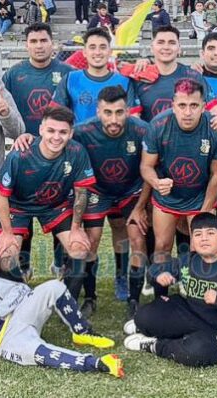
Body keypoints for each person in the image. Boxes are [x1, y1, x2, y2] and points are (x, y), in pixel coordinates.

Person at [0, 250, 124, 378]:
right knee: (40, 354)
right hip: (5, 338)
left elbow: (21, 290)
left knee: (55, 286)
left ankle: (81, 332)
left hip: (20, 314)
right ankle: (98, 363)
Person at [123, 212, 217, 368]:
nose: (204, 238)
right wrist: (159, 275)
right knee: (143, 316)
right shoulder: (189, 259)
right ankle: (151, 328)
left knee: (198, 351)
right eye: (198, 234)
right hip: (189, 313)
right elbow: (153, 269)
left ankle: (154, 344)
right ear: (192, 240)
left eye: (210, 233)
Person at [68, 86, 151, 319]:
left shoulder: (142, 130)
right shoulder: (82, 131)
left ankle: (131, 295)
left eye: (119, 112)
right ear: (98, 111)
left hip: (130, 190)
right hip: (97, 191)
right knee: (91, 240)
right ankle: (90, 297)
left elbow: (150, 169)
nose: (113, 119)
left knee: (136, 238)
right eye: (107, 113)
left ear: (128, 110)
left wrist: (139, 206)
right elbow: (56, 140)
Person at [0, 106, 95, 297]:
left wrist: (75, 228)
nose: (56, 137)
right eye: (51, 131)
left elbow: (81, 193)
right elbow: (1, 195)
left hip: (55, 206)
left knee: (79, 249)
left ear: (71, 133)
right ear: (41, 130)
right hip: (19, 206)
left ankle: (65, 301)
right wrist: (7, 233)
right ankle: (19, 298)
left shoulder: (77, 152)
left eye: (63, 132)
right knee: (7, 255)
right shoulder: (19, 155)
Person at [140, 78, 217, 295]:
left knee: (199, 247)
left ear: (203, 105)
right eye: (182, 105)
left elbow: (216, 175)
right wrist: (156, 182)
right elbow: (146, 166)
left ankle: (192, 291)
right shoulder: (158, 126)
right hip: (167, 197)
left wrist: (205, 211)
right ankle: (161, 295)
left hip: (199, 196)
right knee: (162, 245)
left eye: (194, 105)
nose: (187, 112)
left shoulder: (215, 129)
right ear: (173, 105)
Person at [3, 23, 74, 137]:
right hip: (25, 145)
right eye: (33, 41)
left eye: (43, 40)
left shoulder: (69, 73)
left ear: (52, 43)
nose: (39, 46)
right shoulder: (13, 74)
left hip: (58, 143)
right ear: (26, 45)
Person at [52, 28, 135, 124]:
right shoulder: (70, 79)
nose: (97, 52)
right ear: (84, 52)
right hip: (79, 138)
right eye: (92, 47)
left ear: (110, 51)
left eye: (103, 47)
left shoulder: (124, 81)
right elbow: (55, 116)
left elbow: (133, 118)